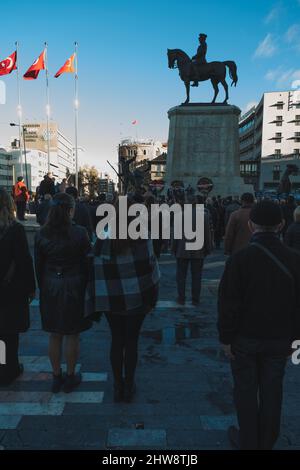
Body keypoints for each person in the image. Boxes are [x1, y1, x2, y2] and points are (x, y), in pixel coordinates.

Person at [218, 200, 300, 450]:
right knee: (273, 392)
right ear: (282, 225)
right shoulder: (295, 259)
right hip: (280, 340)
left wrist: (226, 339)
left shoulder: (240, 259)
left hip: (245, 339)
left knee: (245, 391)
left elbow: (228, 304)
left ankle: (249, 440)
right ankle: (267, 441)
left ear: (252, 226)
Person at [94, 196, 160, 403]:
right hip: (137, 299)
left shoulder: (103, 236)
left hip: (111, 299)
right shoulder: (142, 236)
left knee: (116, 340)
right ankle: (128, 385)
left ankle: (117, 385)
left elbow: (95, 266)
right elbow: (151, 271)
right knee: (131, 342)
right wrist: (152, 299)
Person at [34, 193, 92, 394]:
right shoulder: (80, 233)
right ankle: (70, 376)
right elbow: (87, 263)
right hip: (74, 284)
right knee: (72, 333)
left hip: (51, 284)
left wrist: (43, 287)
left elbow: (38, 266)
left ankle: (56, 376)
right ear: (70, 210)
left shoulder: (41, 234)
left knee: (55, 333)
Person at [0, 189, 35, 386]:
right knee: (9, 331)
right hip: (11, 288)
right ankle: (9, 369)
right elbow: (24, 261)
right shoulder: (15, 229)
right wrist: (31, 287)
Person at [172, 197, 212, 306]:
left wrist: (173, 248)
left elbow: (175, 235)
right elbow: (207, 235)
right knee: (197, 276)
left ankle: (181, 297)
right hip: (198, 250)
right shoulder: (204, 216)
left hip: (182, 249)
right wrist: (208, 248)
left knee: (181, 276)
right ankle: (195, 299)